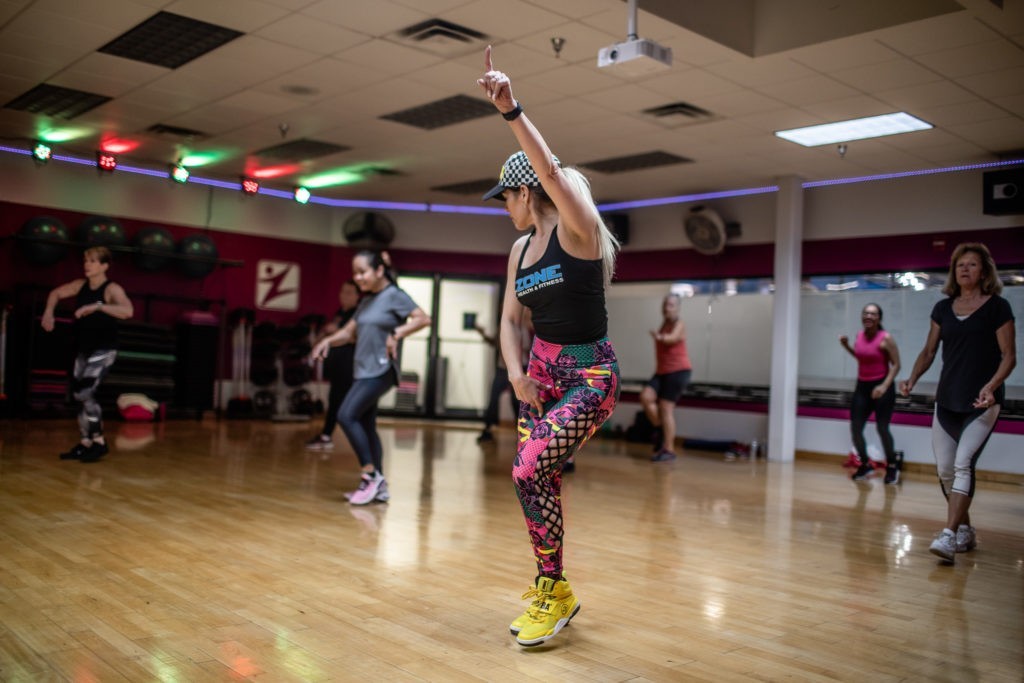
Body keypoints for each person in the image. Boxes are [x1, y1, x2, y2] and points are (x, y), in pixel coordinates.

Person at [478, 45, 621, 647]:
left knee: (528, 468)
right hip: (538, 381)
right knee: (541, 481)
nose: (503, 207)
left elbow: (557, 176)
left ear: (527, 192)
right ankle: (552, 586)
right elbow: (511, 321)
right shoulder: (518, 252)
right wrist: (515, 374)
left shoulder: (578, 231)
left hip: (589, 380)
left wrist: (512, 110)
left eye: (506, 196)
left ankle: (553, 589)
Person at [898, 243, 1015, 564]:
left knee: (964, 464)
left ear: (984, 271)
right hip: (947, 400)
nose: (965, 269)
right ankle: (964, 529)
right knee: (946, 470)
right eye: (960, 265)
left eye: (972, 264)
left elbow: (1009, 356)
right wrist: (912, 378)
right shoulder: (942, 309)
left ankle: (948, 535)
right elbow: (929, 351)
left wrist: (992, 386)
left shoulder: (998, 308)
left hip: (982, 402)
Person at [311, 251, 430, 506]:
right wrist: (327, 341)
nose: (358, 277)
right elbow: (348, 332)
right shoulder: (366, 302)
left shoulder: (394, 296)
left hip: (381, 369)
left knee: (345, 414)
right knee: (365, 425)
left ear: (379, 271)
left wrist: (396, 333)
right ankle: (380, 484)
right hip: (363, 370)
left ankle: (370, 476)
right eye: (355, 273)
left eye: (363, 272)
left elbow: (423, 318)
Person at [41, 246, 134, 463]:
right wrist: (49, 311)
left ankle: (99, 441)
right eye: (85, 260)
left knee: (84, 393)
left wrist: (99, 307)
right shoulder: (80, 285)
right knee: (79, 396)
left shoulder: (112, 289)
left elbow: (128, 311)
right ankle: (85, 443)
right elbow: (55, 293)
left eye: (92, 261)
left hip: (104, 349)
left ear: (104, 266)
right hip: (83, 349)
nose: (87, 265)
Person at [839, 303, 902, 483]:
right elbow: (861, 357)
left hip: (883, 387)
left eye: (873, 314)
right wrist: (846, 346)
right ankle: (865, 465)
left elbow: (897, 365)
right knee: (856, 428)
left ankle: (891, 466)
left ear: (879, 318)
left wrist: (883, 386)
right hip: (862, 387)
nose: (868, 316)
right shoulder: (859, 336)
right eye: (865, 313)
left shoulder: (886, 338)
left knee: (882, 428)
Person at [306, 280, 360, 450]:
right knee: (335, 402)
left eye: (349, 292)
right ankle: (326, 435)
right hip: (336, 367)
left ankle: (329, 435)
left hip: (349, 368)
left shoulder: (357, 314)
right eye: (343, 291)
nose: (344, 295)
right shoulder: (339, 314)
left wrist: (334, 333)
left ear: (357, 296)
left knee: (343, 404)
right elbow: (328, 335)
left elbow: (353, 337)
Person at [640, 293, 691, 462]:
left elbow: (673, 339)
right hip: (661, 372)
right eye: (665, 305)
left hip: (678, 371)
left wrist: (660, 337)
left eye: (670, 305)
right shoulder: (664, 323)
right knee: (646, 397)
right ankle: (661, 429)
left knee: (665, 408)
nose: (666, 308)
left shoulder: (679, 324)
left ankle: (668, 449)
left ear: (677, 307)